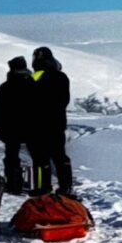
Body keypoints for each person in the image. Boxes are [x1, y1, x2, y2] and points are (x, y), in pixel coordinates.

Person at [24, 46, 74, 196]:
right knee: (60, 156)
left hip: (36, 125)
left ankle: (42, 187)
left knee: (40, 159)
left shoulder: (33, 78)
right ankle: (66, 186)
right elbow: (64, 100)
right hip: (56, 123)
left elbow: (26, 102)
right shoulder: (61, 77)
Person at [0, 55, 31, 190]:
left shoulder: (6, 86)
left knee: (11, 157)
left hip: (11, 128)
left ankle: (14, 183)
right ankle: (41, 184)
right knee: (38, 158)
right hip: (32, 127)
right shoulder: (34, 84)